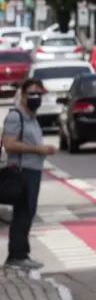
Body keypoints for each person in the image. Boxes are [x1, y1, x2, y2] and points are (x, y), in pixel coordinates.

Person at [3, 79, 57, 270]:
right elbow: (9, 143)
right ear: (23, 96)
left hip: (33, 171)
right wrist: (38, 150)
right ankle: (17, 255)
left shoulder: (33, 118)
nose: (36, 98)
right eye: (32, 93)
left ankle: (21, 253)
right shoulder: (15, 116)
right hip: (20, 171)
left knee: (28, 213)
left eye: (39, 94)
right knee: (23, 213)